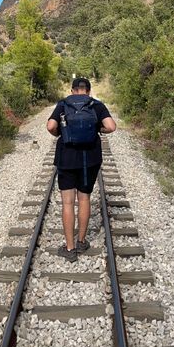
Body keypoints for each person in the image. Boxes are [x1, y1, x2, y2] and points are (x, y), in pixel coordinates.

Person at [46, 77, 117, 262]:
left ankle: (69, 248)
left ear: (72, 90)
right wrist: (96, 130)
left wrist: (61, 133)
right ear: (89, 91)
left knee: (67, 203)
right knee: (84, 198)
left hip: (66, 158)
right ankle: (82, 241)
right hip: (90, 159)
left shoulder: (63, 104)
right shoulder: (96, 105)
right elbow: (111, 126)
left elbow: (51, 126)